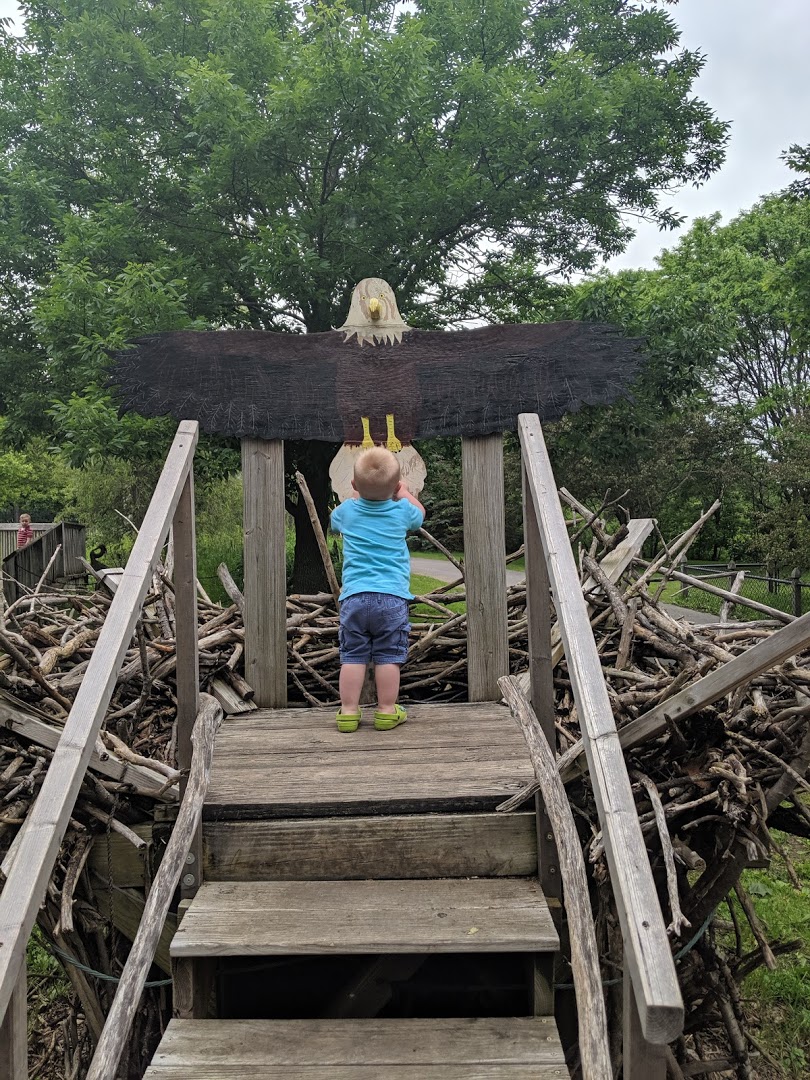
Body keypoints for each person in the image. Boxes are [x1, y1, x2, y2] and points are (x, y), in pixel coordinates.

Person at [330, 447, 425, 733]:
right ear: (395, 487)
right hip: (392, 599)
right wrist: (404, 492)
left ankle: (348, 712)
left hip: (354, 598)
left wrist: (357, 496)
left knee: (352, 656)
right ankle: (386, 711)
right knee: (388, 657)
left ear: (354, 485)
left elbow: (334, 522)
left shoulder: (347, 511)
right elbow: (420, 515)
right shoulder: (401, 511)